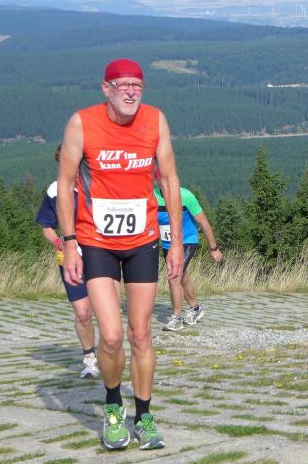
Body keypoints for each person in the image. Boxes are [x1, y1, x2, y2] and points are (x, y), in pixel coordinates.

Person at [57, 58, 183, 451]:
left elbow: (169, 179)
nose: (131, 92)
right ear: (106, 89)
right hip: (97, 240)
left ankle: (144, 416)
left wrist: (176, 242)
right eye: (122, 85)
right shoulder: (82, 123)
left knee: (141, 333)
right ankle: (113, 406)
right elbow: (65, 183)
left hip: (143, 239)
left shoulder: (155, 120)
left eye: (137, 86)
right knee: (111, 336)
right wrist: (69, 242)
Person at [36, 144, 100, 379]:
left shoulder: (96, 185)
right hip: (70, 259)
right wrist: (59, 243)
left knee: (106, 310)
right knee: (83, 312)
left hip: (100, 254)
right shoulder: (55, 190)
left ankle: (112, 352)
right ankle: (89, 359)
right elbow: (46, 226)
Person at [153, 171, 223, 331]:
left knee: (174, 276)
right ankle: (195, 308)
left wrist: (214, 248)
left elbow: (204, 222)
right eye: (159, 180)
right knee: (182, 277)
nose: (163, 183)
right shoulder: (153, 196)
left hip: (187, 241)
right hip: (168, 245)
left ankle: (176, 318)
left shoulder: (185, 196)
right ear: (156, 181)